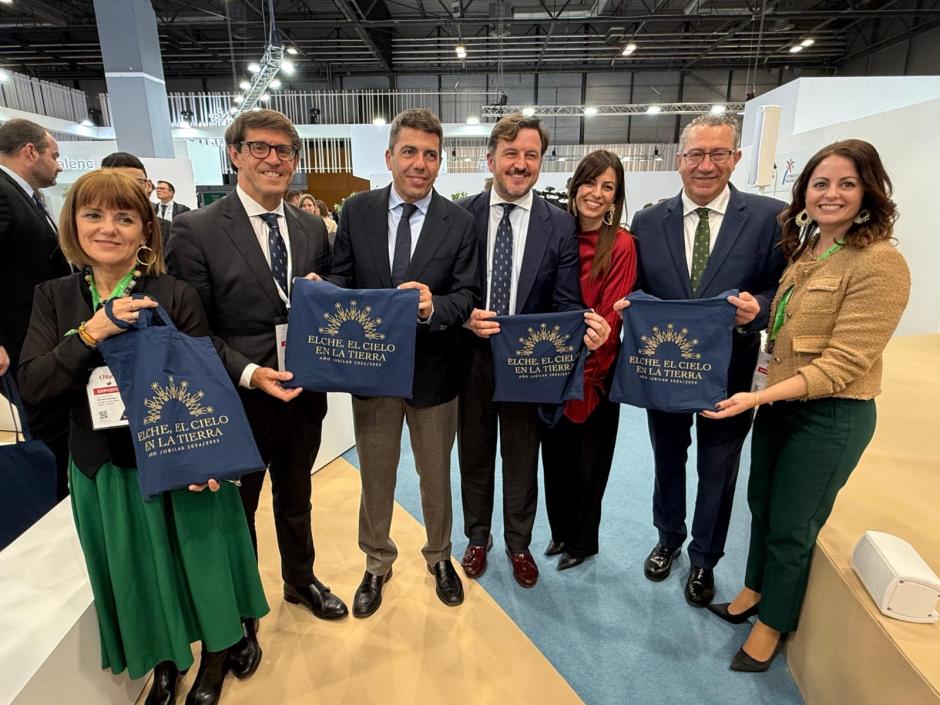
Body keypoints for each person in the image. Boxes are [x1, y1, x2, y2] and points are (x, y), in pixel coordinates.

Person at [18, 170, 268, 705]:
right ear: (73, 224)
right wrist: (93, 332)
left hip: (184, 463)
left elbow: (205, 380)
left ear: (145, 231)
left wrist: (213, 460)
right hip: (103, 466)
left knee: (203, 565)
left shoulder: (172, 294)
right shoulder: (54, 298)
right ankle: (165, 660)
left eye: (124, 218)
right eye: (94, 215)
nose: (108, 228)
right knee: (138, 573)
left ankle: (217, 656)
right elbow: (35, 384)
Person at [701, 139, 910, 671]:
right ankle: (752, 591)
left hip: (831, 415)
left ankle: (773, 624)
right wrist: (752, 318)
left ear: (869, 191)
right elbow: (783, 327)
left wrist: (756, 395)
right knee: (762, 505)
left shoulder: (881, 263)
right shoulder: (809, 251)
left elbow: (842, 363)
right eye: (820, 184)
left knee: (794, 523)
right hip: (779, 405)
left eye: (846, 183)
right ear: (804, 193)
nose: (831, 194)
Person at [167, 109, 348, 621]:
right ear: (235, 155)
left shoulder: (312, 227)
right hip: (238, 395)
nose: (273, 159)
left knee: (298, 496)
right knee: (237, 509)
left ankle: (300, 580)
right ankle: (244, 609)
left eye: (284, 150)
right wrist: (249, 373)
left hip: (303, 391)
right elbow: (191, 329)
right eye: (259, 147)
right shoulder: (196, 230)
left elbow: (324, 303)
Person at [617, 113, 787, 608]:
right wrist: (630, 305)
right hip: (665, 368)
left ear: (735, 158)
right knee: (668, 460)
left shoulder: (768, 218)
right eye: (696, 153)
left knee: (719, 469)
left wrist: (761, 310)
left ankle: (704, 559)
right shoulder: (648, 222)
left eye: (718, 153)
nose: (706, 165)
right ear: (679, 160)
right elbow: (638, 286)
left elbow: (785, 288)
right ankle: (667, 537)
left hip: (731, 374)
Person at [325, 109, 478, 617]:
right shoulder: (357, 212)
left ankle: (439, 557)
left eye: (430, 154)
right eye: (409, 152)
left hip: (435, 371)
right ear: (389, 157)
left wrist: (434, 306)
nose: (420, 163)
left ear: (441, 162)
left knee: (437, 474)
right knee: (376, 473)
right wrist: (323, 296)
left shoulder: (459, 221)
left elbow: (468, 295)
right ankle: (376, 562)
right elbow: (341, 280)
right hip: (372, 373)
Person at [457, 114, 610, 588]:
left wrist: (581, 328)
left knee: (522, 457)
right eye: (511, 154)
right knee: (476, 455)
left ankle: (518, 544)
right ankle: (477, 538)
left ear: (541, 162)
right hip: (474, 358)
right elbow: (452, 288)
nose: (520, 164)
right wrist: (464, 317)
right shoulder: (463, 216)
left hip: (529, 362)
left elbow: (566, 299)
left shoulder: (558, 224)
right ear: (491, 159)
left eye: (530, 155)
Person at [541, 150, 637, 571]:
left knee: (588, 464)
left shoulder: (620, 243)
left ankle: (582, 542)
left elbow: (611, 309)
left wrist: (589, 359)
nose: (596, 193)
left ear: (616, 197)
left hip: (595, 371)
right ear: (575, 184)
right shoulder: (557, 234)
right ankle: (560, 532)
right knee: (555, 459)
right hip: (550, 368)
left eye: (607, 186)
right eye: (590, 182)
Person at [0, 118, 72, 497]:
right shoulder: (2, 192)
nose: (59, 165)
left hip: (37, 341)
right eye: (54, 155)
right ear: (30, 151)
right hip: (15, 345)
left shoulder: (24, 196)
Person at [100, 152, 172, 248]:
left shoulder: (169, 230)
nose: (128, 190)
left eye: (136, 183)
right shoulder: (93, 230)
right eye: (116, 183)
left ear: (148, 185)